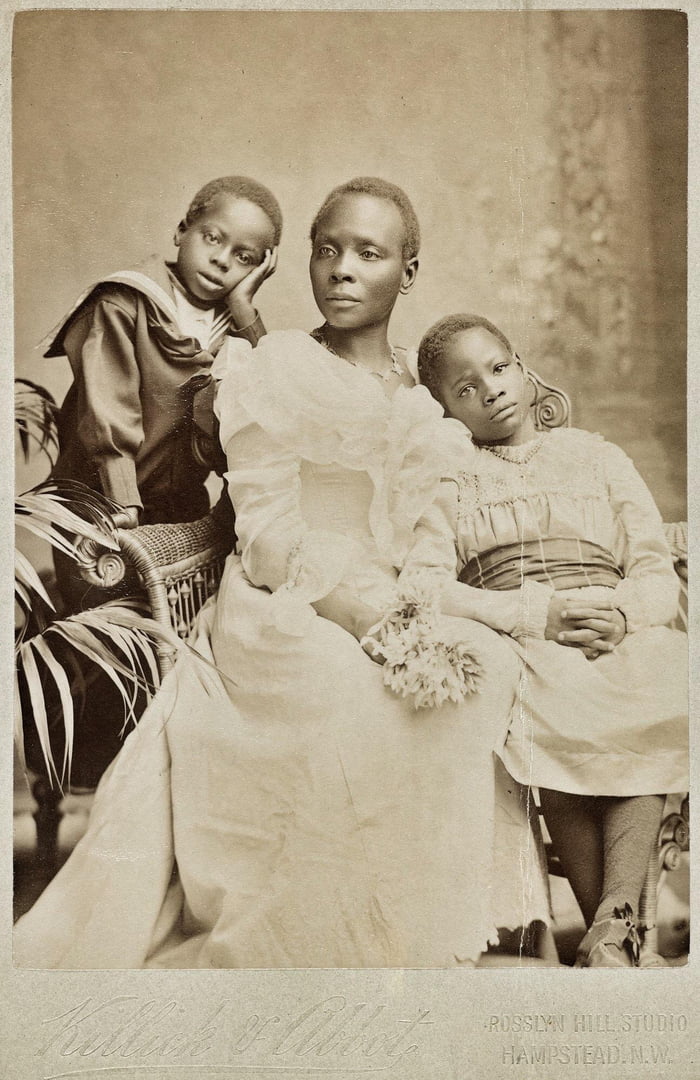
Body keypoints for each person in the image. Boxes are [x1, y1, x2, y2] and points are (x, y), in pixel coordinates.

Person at [14, 179, 550, 969]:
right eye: (326, 249)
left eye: (368, 253)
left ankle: (430, 926)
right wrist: (356, 614)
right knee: (341, 684)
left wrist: (420, 605)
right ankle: (329, 941)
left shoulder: (425, 388)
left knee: (491, 665)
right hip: (286, 596)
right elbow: (264, 534)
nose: (340, 269)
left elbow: (433, 525)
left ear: (406, 272)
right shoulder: (270, 368)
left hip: (401, 592)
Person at [402, 312, 688, 968]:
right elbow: (427, 585)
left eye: (498, 369)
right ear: (446, 411)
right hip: (524, 632)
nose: (491, 389)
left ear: (525, 370)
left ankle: (613, 932)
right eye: (465, 388)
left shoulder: (598, 456)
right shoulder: (452, 480)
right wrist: (533, 614)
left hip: (613, 626)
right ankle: (614, 933)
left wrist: (622, 614)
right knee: (555, 706)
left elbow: (652, 568)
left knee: (656, 681)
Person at [26, 177, 281, 786]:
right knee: (121, 649)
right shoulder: (124, 304)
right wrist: (122, 503)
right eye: (213, 239)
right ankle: (102, 781)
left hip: (183, 513)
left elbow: (276, 405)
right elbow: (107, 410)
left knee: (206, 647)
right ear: (181, 233)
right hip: (100, 513)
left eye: (245, 257)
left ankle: (174, 788)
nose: (223, 260)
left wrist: (249, 316)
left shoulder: (227, 329)